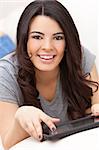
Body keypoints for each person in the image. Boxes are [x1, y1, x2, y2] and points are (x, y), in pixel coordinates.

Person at [0, 0, 99, 149]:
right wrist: (21, 117)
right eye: (37, 37)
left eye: (58, 37)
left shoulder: (79, 57)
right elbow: (7, 144)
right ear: (25, 39)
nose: (48, 47)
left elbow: (96, 105)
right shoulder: (6, 72)